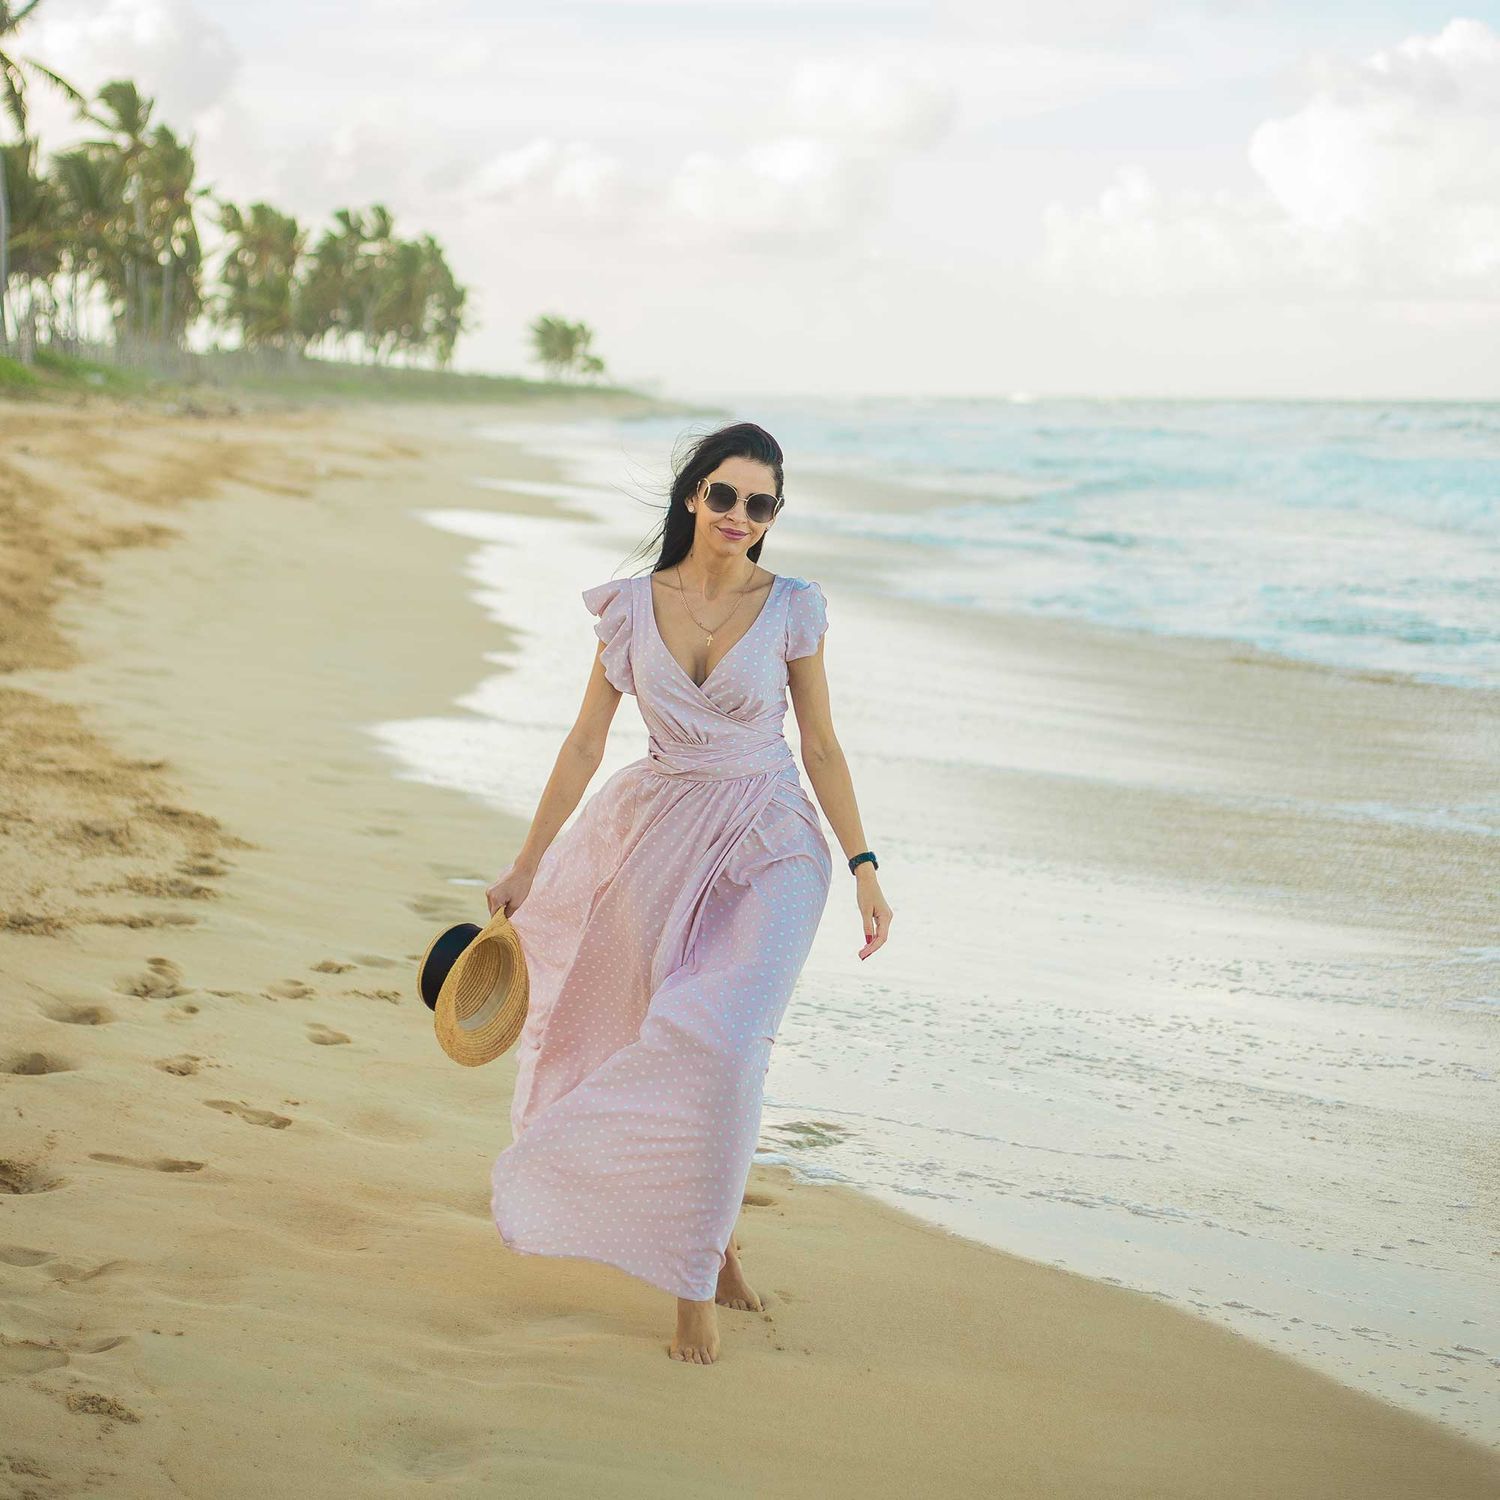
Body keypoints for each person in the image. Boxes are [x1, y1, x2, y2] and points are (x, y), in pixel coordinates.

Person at [487, 420, 893, 1365]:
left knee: (726, 1043)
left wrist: (865, 866)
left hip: (773, 841)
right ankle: (717, 1241)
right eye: (724, 495)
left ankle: (691, 1275)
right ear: (692, 496)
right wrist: (529, 862)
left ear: (774, 516)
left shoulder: (793, 607)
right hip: (662, 837)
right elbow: (584, 744)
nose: (739, 515)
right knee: (654, 1036)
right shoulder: (632, 609)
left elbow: (821, 745)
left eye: (760, 504)